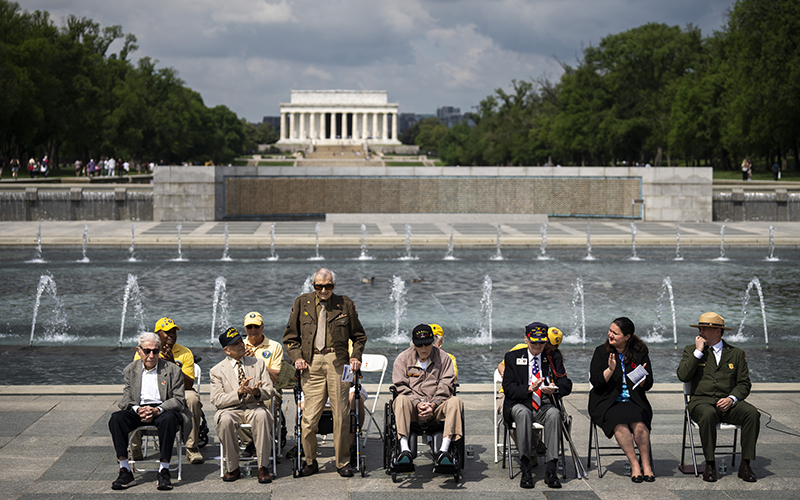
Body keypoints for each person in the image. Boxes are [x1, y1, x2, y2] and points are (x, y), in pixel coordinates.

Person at [283, 267, 367, 477]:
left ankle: (343, 462)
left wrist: (355, 356)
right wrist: (297, 358)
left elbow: (359, 336)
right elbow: (290, 338)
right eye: (319, 286)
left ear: (333, 286)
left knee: (341, 415)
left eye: (328, 286)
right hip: (311, 363)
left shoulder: (345, 304)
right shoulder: (301, 303)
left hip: (338, 362)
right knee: (309, 418)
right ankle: (310, 461)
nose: (323, 290)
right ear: (313, 285)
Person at [677, 312, 760, 483]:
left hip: (728, 402)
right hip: (701, 403)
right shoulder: (691, 350)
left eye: (704, 328)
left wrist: (731, 399)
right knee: (707, 414)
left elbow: (744, 383)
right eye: (700, 328)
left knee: (752, 414)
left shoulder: (736, 354)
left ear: (717, 331)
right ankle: (710, 463)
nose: (700, 332)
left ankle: (745, 464)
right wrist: (698, 352)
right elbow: (683, 375)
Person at [108, 331, 191, 491]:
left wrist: (158, 409)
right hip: (139, 409)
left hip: (164, 409)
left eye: (155, 351)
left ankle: (164, 470)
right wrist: (138, 409)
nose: (151, 355)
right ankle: (124, 469)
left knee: (168, 419)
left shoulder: (173, 369)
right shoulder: (130, 370)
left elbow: (179, 400)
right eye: (147, 351)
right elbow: (125, 399)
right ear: (139, 351)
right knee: (116, 418)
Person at [502, 322, 572, 489]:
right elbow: (508, 388)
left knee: (554, 414)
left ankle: (551, 468)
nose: (538, 346)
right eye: (534, 342)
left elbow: (566, 383)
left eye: (542, 342)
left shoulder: (552, 358)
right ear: (526, 339)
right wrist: (528, 389)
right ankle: (526, 466)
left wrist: (553, 390)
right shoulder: (512, 357)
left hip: (543, 404)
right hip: (520, 402)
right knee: (523, 414)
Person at [588, 317, 654, 483]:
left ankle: (646, 465)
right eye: (610, 331)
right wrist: (610, 370)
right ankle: (635, 466)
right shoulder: (601, 352)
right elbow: (595, 381)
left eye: (615, 333)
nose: (610, 335)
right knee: (620, 424)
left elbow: (649, 384)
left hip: (634, 400)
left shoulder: (640, 352)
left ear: (627, 337)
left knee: (639, 424)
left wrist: (643, 379)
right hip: (607, 401)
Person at [132, 317, 204, 464]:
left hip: (177, 391)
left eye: (173, 332)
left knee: (192, 398)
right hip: (153, 392)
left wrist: (172, 365)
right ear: (157, 334)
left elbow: (189, 384)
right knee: (132, 401)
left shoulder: (184, 352)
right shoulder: (145, 351)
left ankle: (192, 448)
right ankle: (134, 449)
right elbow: (137, 379)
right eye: (167, 332)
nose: (171, 335)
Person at [392, 324, 463, 472]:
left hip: (437, 407)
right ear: (413, 343)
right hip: (411, 408)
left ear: (433, 342)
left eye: (427, 344)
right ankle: (404, 450)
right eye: (419, 345)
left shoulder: (444, 359)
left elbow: (446, 384)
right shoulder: (402, 359)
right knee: (400, 399)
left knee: (456, 401)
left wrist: (434, 404)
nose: (424, 349)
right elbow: (400, 386)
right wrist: (417, 403)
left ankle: (444, 451)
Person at [210, 327, 274, 484]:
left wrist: (257, 392)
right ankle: (232, 467)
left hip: (254, 407)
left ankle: (263, 467)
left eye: (241, 341)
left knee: (262, 415)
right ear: (227, 350)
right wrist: (238, 392)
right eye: (236, 344)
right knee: (224, 420)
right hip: (230, 409)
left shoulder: (258, 363)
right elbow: (217, 400)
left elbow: (270, 390)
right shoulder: (217, 370)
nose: (241, 345)